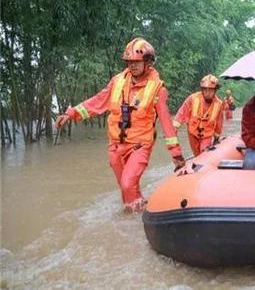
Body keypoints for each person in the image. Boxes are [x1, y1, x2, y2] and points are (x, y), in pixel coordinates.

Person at [55, 38, 185, 213]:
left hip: (140, 146)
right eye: (129, 62)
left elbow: (166, 123)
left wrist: (176, 154)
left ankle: (129, 223)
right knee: (126, 188)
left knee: (127, 183)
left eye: (137, 62)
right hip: (115, 146)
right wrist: (70, 114)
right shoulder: (117, 81)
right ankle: (138, 210)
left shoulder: (158, 89)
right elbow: (98, 101)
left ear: (148, 62)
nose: (132, 65)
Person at [173, 74, 224, 156]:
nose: (207, 93)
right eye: (205, 90)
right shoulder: (192, 99)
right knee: (196, 154)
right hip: (193, 133)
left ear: (215, 90)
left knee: (203, 152)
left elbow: (219, 121)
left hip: (207, 134)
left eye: (210, 90)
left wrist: (217, 136)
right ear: (202, 90)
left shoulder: (219, 104)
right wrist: (174, 127)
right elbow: (182, 112)